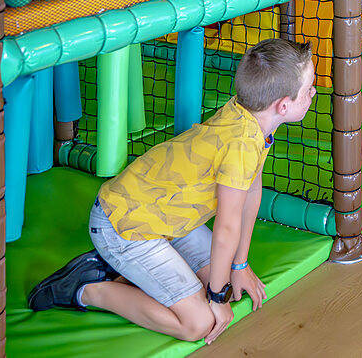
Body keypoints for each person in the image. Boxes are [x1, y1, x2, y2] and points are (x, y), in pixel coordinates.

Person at [26, 39, 318, 344]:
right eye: (309, 87)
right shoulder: (240, 144)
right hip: (123, 224)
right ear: (283, 105)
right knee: (199, 323)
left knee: (229, 287)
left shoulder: (251, 115)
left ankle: (118, 271)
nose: (313, 93)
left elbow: (252, 189)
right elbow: (227, 225)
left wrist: (239, 265)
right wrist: (215, 299)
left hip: (168, 215)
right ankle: (85, 289)